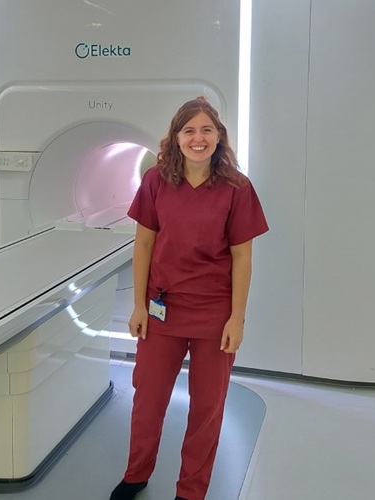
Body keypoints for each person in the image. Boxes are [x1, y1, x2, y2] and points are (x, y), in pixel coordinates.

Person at [110, 97, 268, 500]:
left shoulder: (237, 187)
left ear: (218, 137)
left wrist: (238, 318)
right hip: (162, 309)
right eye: (189, 130)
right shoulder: (156, 181)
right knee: (147, 401)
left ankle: (191, 491)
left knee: (207, 409)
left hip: (214, 315)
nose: (198, 138)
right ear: (176, 138)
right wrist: (139, 306)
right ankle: (136, 475)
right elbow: (143, 245)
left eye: (206, 130)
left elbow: (242, 256)